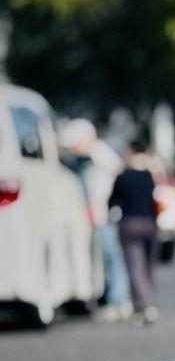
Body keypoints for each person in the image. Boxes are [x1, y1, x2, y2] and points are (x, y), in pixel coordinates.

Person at [60, 119, 131, 318]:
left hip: (103, 217)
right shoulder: (93, 158)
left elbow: (110, 180)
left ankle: (119, 299)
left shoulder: (98, 155)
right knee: (104, 259)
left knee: (111, 258)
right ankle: (111, 297)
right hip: (98, 216)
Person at [108, 139, 162, 324]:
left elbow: (112, 202)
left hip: (130, 224)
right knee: (147, 266)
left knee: (134, 266)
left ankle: (144, 305)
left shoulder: (123, 176)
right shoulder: (149, 177)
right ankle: (147, 302)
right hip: (150, 224)